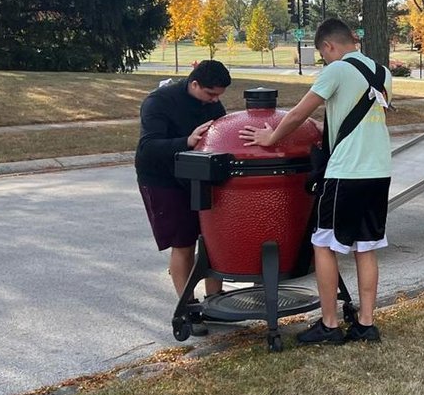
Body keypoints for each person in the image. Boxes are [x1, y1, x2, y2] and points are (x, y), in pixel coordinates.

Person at [240, 19, 391, 344]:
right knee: (366, 247)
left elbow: (297, 114)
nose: (324, 59)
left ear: (328, 47)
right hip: (379, 170)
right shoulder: (382, 72)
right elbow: (360, 119)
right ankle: (366, 324)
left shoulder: (336, 70)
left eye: (323, 54)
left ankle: (330, 324)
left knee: (323, 244)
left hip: (347, 172)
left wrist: (270, 138)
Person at [136, 60, 232, 318]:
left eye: (219, 96)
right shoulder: (159, 102)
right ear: (194, 84)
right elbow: (148, 147)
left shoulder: (211, 103)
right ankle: (187, 305)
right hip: (162, 179)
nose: (215, 101)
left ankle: (215, 301)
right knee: (184, 242)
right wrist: (186, 141)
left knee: (212, 238)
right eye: (211, 94)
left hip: (198, 176)